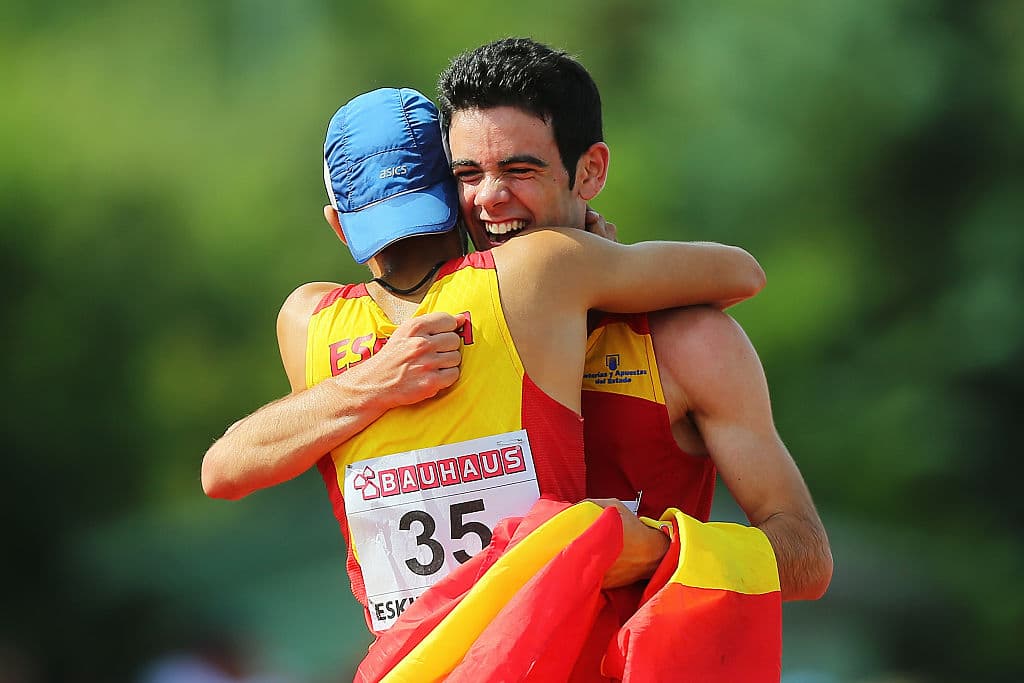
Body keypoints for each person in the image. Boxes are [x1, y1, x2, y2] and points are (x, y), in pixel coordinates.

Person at [201, 87, 765, 635]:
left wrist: (367, 384)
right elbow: (741, 273)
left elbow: (221, 471)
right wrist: (596, 264)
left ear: (337, 223)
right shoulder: (535, 269)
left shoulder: (306, 320)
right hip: (537, 649)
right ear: (458, 194)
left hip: (411, 664)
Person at [435, 37, 832, 601]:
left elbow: (805, 558)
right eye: (468, 174)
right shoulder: (423, 339)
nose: (490, 198)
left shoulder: (686, 341)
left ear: (590, 171)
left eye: (521, 170)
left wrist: (656, 551)